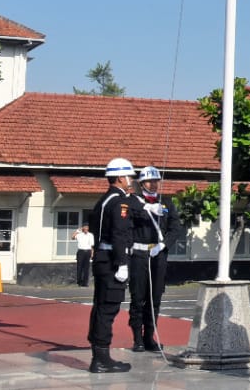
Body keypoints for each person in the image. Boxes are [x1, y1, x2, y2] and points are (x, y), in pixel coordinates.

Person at [86, 157, 135, 374]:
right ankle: (101, 359)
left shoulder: (105, 200)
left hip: (103, 258)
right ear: (118, 178)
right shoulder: (119, 202)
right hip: (111, 261)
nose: (130, 180)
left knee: (101, 308)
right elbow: (119, 234)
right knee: (108, 309)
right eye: (128, 176)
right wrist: (122, 263)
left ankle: (100, 356)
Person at [127, 165, 183, 353]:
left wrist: (164, 244)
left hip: (158, 254)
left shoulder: (166, 202)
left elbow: (176, 227)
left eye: (156, 181)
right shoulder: (134, 200)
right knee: (138, 297)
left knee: (155, 297)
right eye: (150, 181)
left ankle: (149, 336)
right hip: (139, 255)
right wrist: (147, 207)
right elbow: (131, 215)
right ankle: (137, 338)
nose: (154, 184)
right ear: (142, 183)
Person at [72, 223, 94, 287]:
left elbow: (91, 245)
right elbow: (72, 237)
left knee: (86, 268)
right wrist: (77, 231)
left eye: (87, 227)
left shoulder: (90, 235)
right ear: (83, 228)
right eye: (85, 227)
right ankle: (79, 282)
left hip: (88, 251)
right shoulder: (79, 235)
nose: (86, 228)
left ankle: (85, 283)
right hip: (81, 252)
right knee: (79, 267)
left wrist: (92, 253)